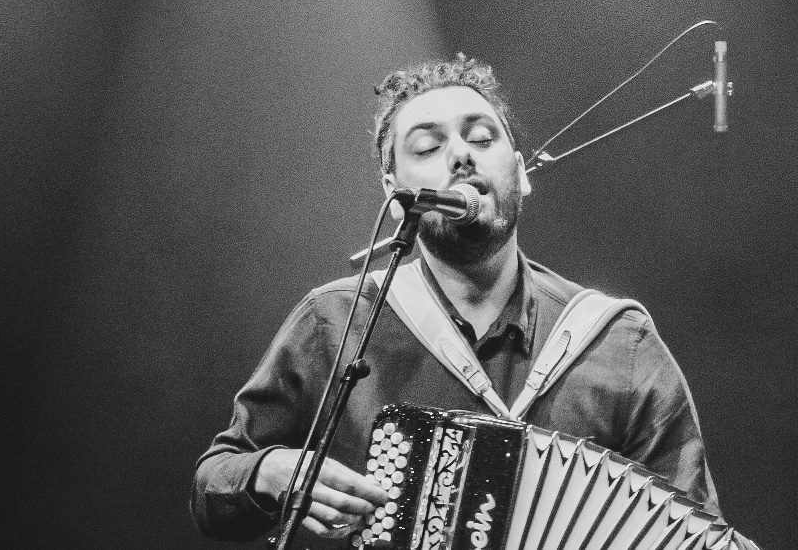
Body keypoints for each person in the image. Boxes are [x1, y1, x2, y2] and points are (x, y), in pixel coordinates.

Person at [191, 54, 750, 549]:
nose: (459, 155)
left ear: (521, 174)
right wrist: (270, 472)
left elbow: (690, 529)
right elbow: (213, 486)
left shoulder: (618, 344)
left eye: (481, 138)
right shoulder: (333, 325)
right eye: (429, 146)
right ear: (394, 194)